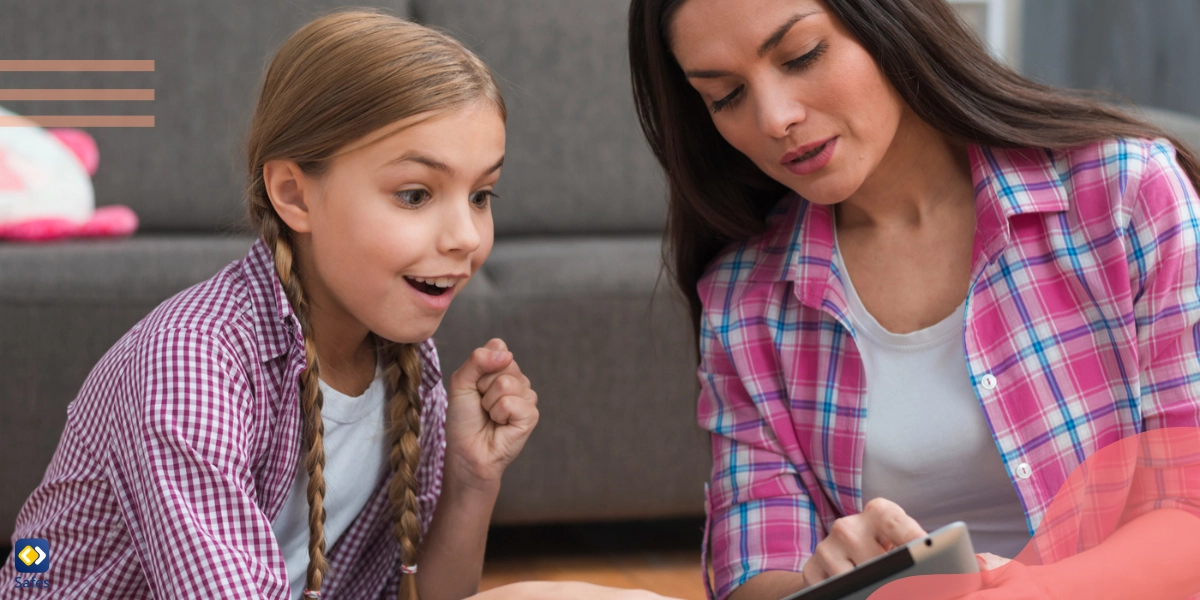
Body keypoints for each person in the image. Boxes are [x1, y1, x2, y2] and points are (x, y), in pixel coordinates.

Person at [3, 11, 678, 600]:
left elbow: (434, 593)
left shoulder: (406, 361)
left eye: (481, 195)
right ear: (295, 195)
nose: (467, 237)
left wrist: (472, 478)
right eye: (415, 194)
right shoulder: (193, 365)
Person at [628, 0, 1200, 598]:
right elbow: (752, 567)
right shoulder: (744, 297)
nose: (774, 118)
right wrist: (824, 585)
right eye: (725, 96)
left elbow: (1190, 508)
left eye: (802, 56)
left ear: (890, 21)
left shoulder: (1123, 193)